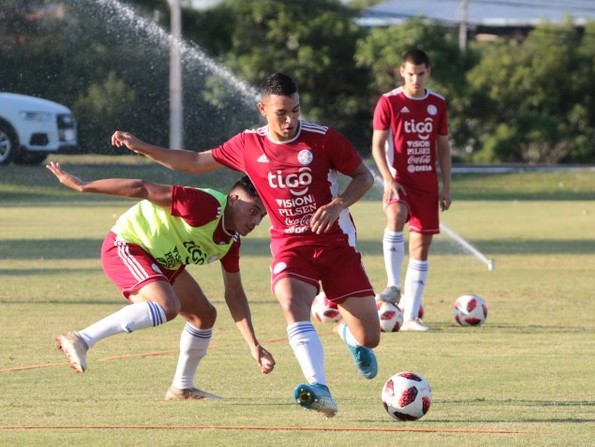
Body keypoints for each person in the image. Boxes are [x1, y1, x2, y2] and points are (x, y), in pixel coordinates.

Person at [110, 72, 381, 418]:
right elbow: (194, 162)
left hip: (336, 243)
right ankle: (320, 388)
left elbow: (365, 177)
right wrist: (143, 147)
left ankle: (348, 333)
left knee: (369, 336)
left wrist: (338, 203)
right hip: (290, 245)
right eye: (281, 113)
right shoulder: (247, 144)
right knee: (291, 302)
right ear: (262, 110)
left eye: (295, 111)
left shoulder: (323, 139)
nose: (290, 120)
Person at [47, 161, 275, 400]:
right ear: (233, 200)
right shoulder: (205, 206)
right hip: (128, 244)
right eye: (253, 211)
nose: (256, 221)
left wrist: (254, 345)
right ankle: (81, 339)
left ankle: (182, 388)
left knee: (204, 315)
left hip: (162, 261)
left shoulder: (231, 241)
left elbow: (235, 293)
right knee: (168, 306)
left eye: (262, 215)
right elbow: (143, 187)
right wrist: (84, 186)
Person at [371, 49, 452, 331]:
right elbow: (377, 146)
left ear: (428, 72)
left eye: (420, 73)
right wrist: (388, 180)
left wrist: (447, 187)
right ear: (401, 72)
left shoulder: (438, 104)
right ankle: (392, 284)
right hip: (399, 180)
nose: (415, 79)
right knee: (395, 215)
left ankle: (410, 318)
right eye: (410, 73)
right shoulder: (389, 102)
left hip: (428, 185)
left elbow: (443, 147)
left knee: (420, 248)